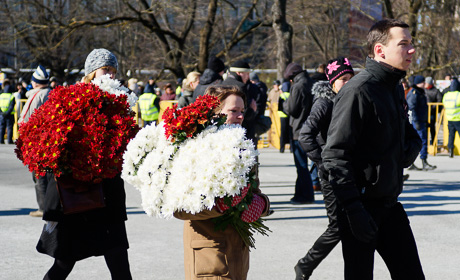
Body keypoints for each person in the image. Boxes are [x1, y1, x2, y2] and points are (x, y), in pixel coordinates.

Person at [321, 19, 425, 280]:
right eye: (403, 44)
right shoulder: (358, 91)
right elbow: (335, 155)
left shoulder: (393, 87)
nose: (411, 50)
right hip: (358, 208)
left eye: (411, 43)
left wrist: (405, 152)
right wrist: (354, 209)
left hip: (389, 205)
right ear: (380, 50)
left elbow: (407, 134)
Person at [37, 48, 132, 280]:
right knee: (64, 262)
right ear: (91, 73)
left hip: (108, 194)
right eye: (104, 69)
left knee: (119, 261)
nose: (109, 74)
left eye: (112, 70)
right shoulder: (74, 97)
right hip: (81, 194)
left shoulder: (121, 98)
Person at [174, 85, 270, 280]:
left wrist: (261, 204)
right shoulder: (194, 150)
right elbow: (178, 207)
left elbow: (254, 191)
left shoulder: (243, 147)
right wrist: (220, 205)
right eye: (233, 111)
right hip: (209, 258)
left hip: (237, 254)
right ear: (214, 114)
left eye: (242, 111)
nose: (241, 116)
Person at [296, 57, 354, 279]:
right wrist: (322, 162)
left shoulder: (349, 101)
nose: (348, 83)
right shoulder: (324, 103)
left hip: (348, 172)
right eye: (343, 79)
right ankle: (305, 265)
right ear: (332, 83)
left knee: (352, 225)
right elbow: (306, 134)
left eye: (350, 78)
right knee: (338, 227)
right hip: (330, 174)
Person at [18, 66, 52, 217]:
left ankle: (43, 208)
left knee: (39, 175)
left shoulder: (35, 96)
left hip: (38, 142)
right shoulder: (52, 93)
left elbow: (24, 120)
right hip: (52, 141)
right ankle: (52, 206)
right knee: (50, 176)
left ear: (36, 82)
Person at [283, 62, 315, 204]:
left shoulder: (297, 86)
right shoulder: (311, 82)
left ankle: (306, 195)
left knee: (301, 164)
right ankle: (299, 193)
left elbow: (292, 109)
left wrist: (283, 103)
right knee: (304, 164)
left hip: (299, 129)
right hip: (311, 128)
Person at [222, 60, 259, 148]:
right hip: (242, 129)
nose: (248, 77)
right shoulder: (240, 86)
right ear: (238, 73)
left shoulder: (222, 84)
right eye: (246, 74)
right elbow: (244, 112)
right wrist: (252, 110)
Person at [407, 75, 437, 171]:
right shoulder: (414, 93)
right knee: (421, 141)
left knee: (421, 141)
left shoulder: (420, 93)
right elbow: (412, 108)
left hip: (420, 121)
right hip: (417, 122)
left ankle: (420, 162)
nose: (424, 84)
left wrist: (425, 121)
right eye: (423, 82)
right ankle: (421, 162)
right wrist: (416, 122)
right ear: (418, 83)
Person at [442, 79, 460, 158]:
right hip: (458, 118)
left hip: (449, 118)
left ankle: (450, 151)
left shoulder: (446, 95)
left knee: (451, 135)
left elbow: (444, 104)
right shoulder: (458, 95)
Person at [424, 76, 443, 144]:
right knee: (424, 128)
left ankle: (433, 142)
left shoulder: (436, 91)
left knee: (432, 127)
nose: (425, 84)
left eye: (426, 83)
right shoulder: (423, 90)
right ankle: (425, 142)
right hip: (424, 112)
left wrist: (432, 107)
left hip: (432, 112)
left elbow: (439, 100)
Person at [278, 80, 292, 153]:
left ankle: (282, 148)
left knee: (282, 132)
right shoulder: (291, 95)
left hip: (283, 116)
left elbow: (279, 107)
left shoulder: (281, 96)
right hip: (290, 116)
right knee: (290, 132)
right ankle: (291, 148)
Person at [0, 79, 15, 144]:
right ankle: (9, 140)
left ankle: (1, 140)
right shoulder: (11, 96)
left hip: (1, 114)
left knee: (1, 127)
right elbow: (11, 106)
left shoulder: (0, 96)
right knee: (9, 128)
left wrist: (2, 113)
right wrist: (7, 113)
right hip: (9, 114)